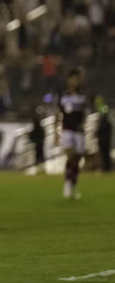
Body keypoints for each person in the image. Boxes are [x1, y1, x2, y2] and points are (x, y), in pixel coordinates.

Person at [54, 68, 94, 199]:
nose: (75, 81)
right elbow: (57, 113)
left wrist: (84, 124)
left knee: (77, 160)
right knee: (70, 157)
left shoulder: (83, 94)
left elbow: (86, 111)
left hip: (79, 131)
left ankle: (73, 184)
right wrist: (56, 132)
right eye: (73, 78)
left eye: (77, 78)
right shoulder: (62, 94)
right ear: (68, 80)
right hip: (66, 130)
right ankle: (67, 183)